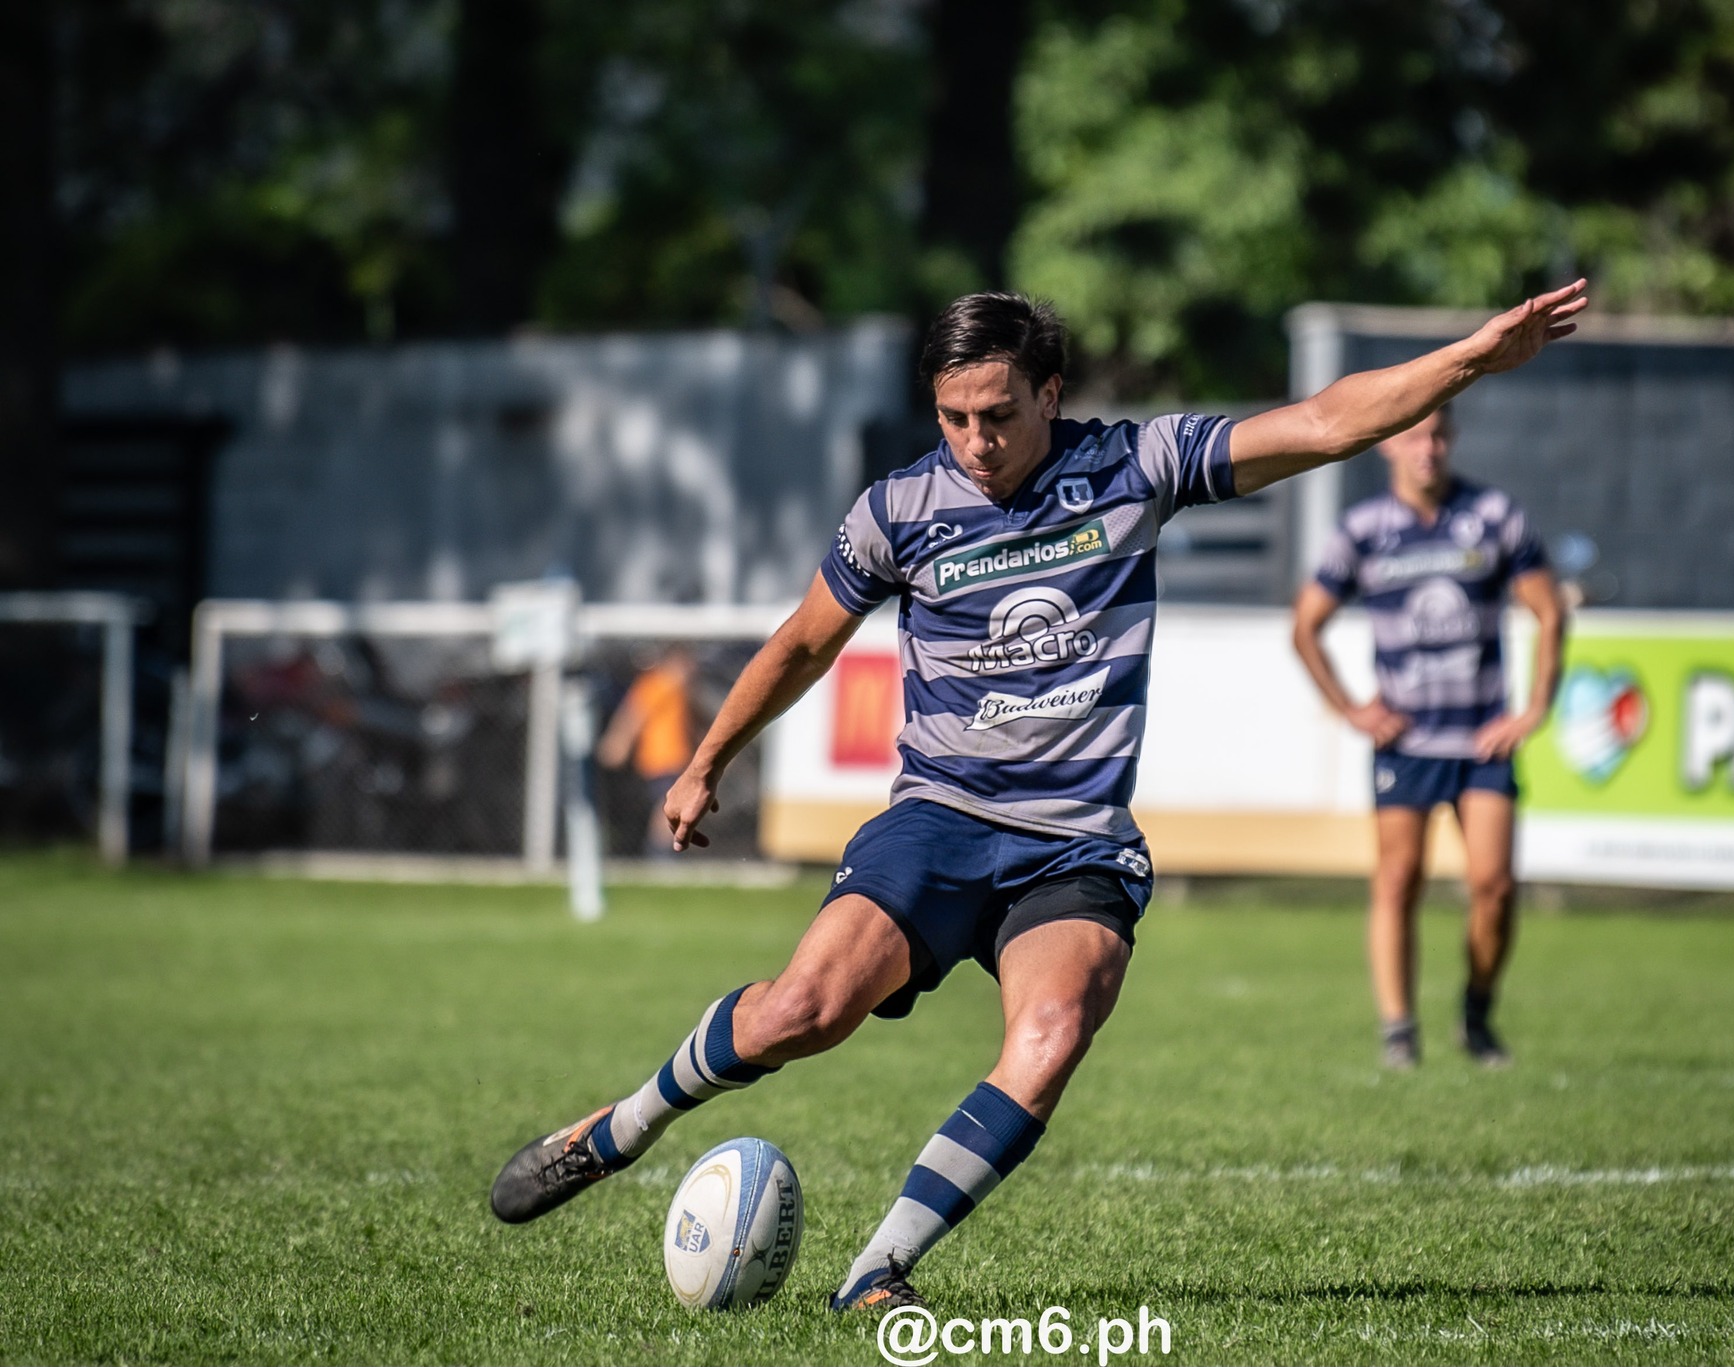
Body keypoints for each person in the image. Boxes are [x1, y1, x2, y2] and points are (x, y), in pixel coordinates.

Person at [490, 283, 1588, 1309]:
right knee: (799, 1012)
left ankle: (877, 1271)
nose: (974, 440)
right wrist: (705, 759)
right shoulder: (898, 509)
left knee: (1051, 1030)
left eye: (998, 414)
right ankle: (620, 1126)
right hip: (938, 821)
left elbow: (1323, 421)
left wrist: (1467, 362)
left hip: (1075, 847)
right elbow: (802, 642)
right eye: (952, 416)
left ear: (1049, 394)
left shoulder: (1135, 465)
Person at [1290, 404, 1565, 1070]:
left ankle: (1476, 1013)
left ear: (1452, 440)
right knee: (1397, 880)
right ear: (1389, 445)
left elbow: (1549, 611)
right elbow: (1305, 627)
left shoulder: (1493, 515)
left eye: (1439, 434)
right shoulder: (1362, 531)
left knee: (1494, 885)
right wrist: (1353, 710)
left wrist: (1532, 710)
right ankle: (1398, 1032)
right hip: (1406, 744)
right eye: (1415, 435)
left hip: (1481, 742)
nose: (1429, 448)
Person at [596, 645, 700, 854]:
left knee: (670, 808)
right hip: (661, 760)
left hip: (675, 760)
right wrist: (618, 742)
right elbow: (634, 715)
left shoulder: (678, 691)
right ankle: (660, 855)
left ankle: (662, 853)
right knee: (667, 809)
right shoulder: (658, 684)